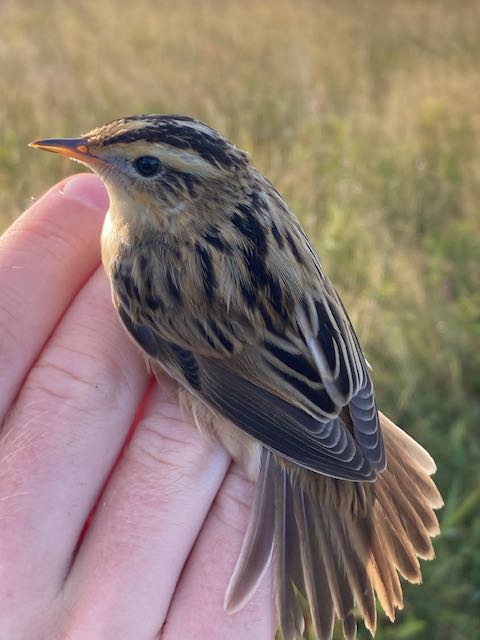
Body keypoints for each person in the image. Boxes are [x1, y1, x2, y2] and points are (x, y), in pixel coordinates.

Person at [0, 174, 273, 639]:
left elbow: (214, 370)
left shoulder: (144, 264)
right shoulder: (258, 203)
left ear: (183, 193)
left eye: (145, 165)